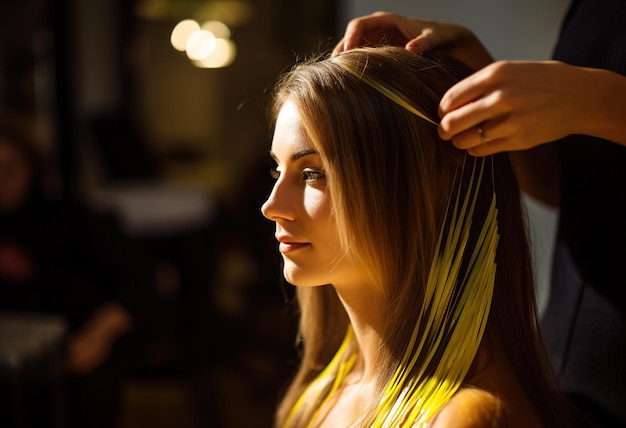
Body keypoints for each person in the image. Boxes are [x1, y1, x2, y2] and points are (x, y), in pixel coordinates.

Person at [333, 4, 626, 426]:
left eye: (312, 173)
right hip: (567, 358)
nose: (270, 208)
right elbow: (571, 184)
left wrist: (600, 100)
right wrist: (469, 58)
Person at [262, 46, 579, 427]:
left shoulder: (466, 419)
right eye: (277, 170)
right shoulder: (322, 392)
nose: (271, 205)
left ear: (420, 187)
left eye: (313, 173)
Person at [0, 124, 153, 428]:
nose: (1, 180)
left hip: (73, 355)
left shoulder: (71, 218)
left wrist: (98, 336)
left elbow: (139, 281)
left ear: (32, 167)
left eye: (10, 168)